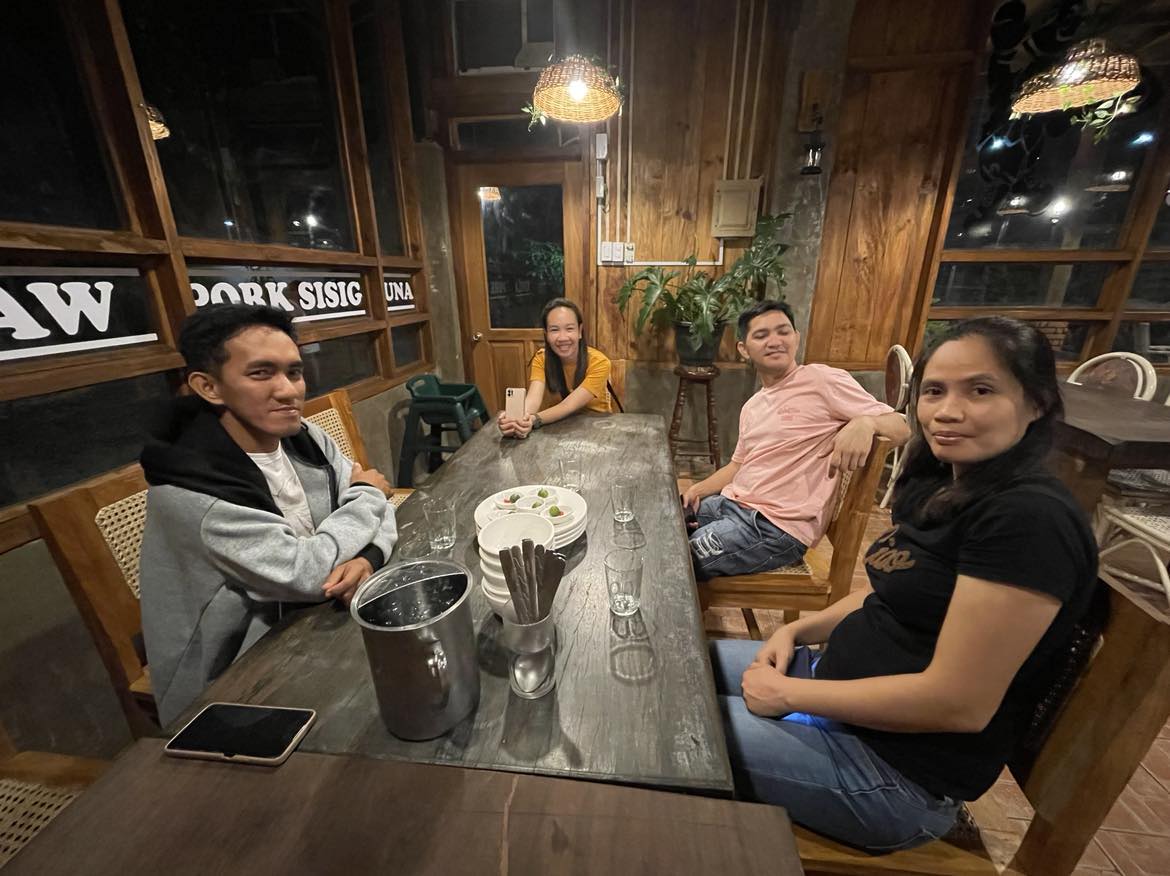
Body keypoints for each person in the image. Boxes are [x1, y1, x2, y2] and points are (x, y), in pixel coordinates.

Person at [709, 316, 1099, 852]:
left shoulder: (1028, 521)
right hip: (832, 692)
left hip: (890, 775)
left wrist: (790, 693)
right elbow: (886, 592)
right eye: (934, 391)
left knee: (668, 732)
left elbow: (958, 703)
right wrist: (795, 633)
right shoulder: (946, 484)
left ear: (1037, 403)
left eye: (980, 390)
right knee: (680, 669)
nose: (948, 410)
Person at [139, 304, 398, 726]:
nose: (288, 390)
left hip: (313, 625)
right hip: (230, 686)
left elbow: (374, 510)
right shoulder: (194, 490)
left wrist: (368, 555)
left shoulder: (305, 438)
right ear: (209, 387)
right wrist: (369, 493)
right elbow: (308, 569)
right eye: (261, 373)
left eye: (294, 372)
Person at [682, 300, 909, 579]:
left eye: (783, 331)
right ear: (744, 349)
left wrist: (867, 423)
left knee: (677, 559)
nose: (775, 341)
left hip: (773, 527)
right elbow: (738, 466)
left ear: (796, 338)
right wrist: (697, 490)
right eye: (761, 335)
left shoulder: (821, 380)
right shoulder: (753, 406)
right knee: (664, 525)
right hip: (730, 505)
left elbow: (904, 426)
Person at [498, 298, 613, 438]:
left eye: (569, 329)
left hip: (595, 429)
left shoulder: (600, 362)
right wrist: (517, 419)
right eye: (554, 330)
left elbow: (568, 405)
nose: (562, 337)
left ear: (580, 331)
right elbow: (533, 399)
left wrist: (534, 419)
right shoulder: (541, 359)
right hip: (556, 427)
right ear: (546, 334)